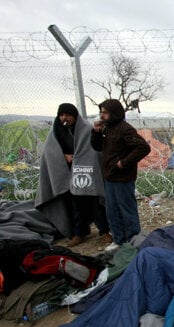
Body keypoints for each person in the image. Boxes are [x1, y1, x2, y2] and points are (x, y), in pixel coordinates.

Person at [35, 103, 111, 247]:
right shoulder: (57, 130)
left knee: (96, 202)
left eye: (68, 115)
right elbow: (49, 152)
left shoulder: (86, 129)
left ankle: (104, 231)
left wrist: (77, 159)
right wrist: (63, 157)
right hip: (68, 174)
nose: (65, 118)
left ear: (75, 116)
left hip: (87, 172)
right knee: (76, 204)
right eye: (61, 115)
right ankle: (79, 233)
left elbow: (94, 151)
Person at [91, 99, 151, 251]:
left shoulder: (125, 129)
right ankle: (118, 240)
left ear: (114, 113)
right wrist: (96, 132)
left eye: (105, 112)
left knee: (126, 208)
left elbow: (143, 147)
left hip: (123, 177)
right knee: (112, 209)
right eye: (101, 112)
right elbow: (97, 147)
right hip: (110, 176)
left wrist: (123, 163)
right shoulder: (106, 129)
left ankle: (133, 240)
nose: (102, 115)